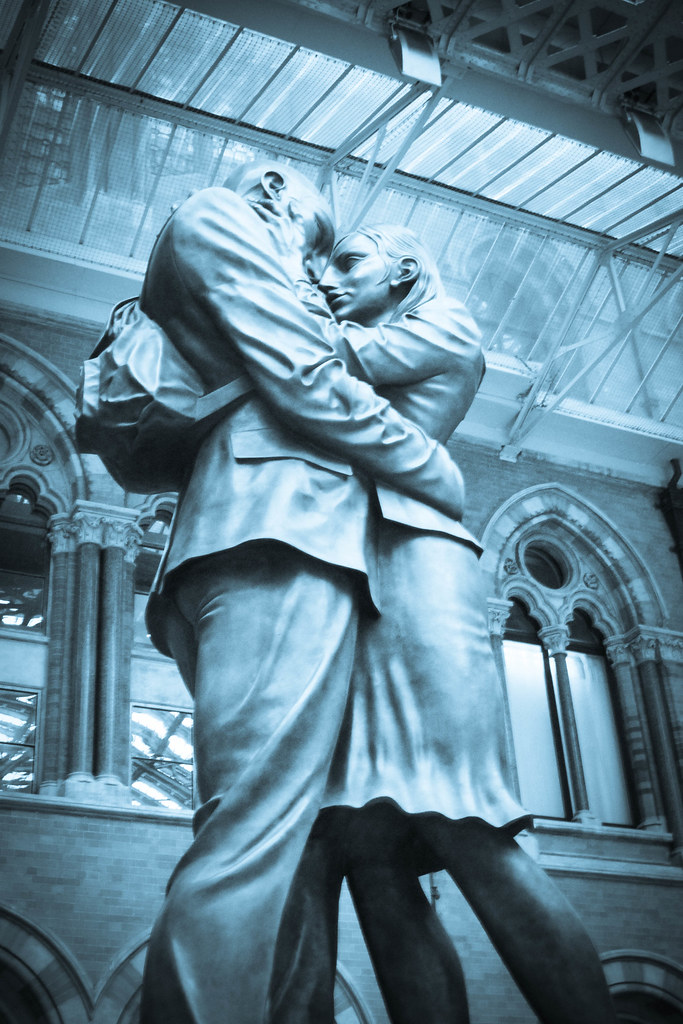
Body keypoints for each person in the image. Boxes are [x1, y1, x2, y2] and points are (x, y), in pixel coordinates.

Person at [136, 164, 475, 1024]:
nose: (317, 271)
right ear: (279, 192)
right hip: (276, 537)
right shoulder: (224, 220)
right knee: (250, 839)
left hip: (256, 540)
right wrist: (433, 469)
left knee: (284, 850)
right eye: (317, 244)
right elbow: (307, 376)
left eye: (334, 258)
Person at [268, 226, 619, 1024]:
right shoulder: (365, 330)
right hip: (344, 572)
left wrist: (252, 282)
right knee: (362, 849)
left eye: (348, 262)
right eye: (321, 269)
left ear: (405, 267)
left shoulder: (443, 326)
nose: (328, 280)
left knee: (463, 819)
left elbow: (322, 365)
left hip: (415, 566)